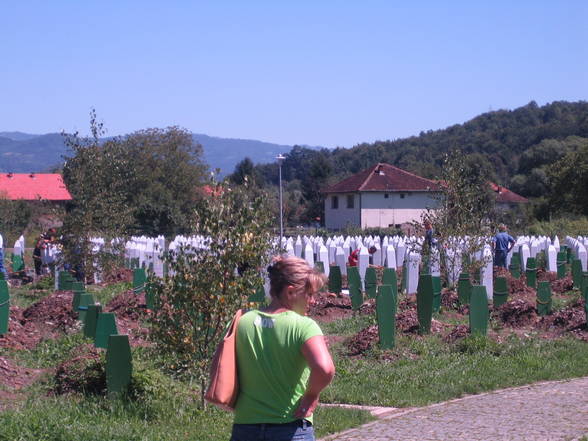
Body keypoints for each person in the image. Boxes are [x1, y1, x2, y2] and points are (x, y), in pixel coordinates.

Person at [230, 256, 335, 441]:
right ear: (290, 292)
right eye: (309, 294)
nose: (312, 301)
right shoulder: (304, 326)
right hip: (290, 427)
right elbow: (325, 369)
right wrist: (311, 394)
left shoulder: (242, 320)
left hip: (245, 426)